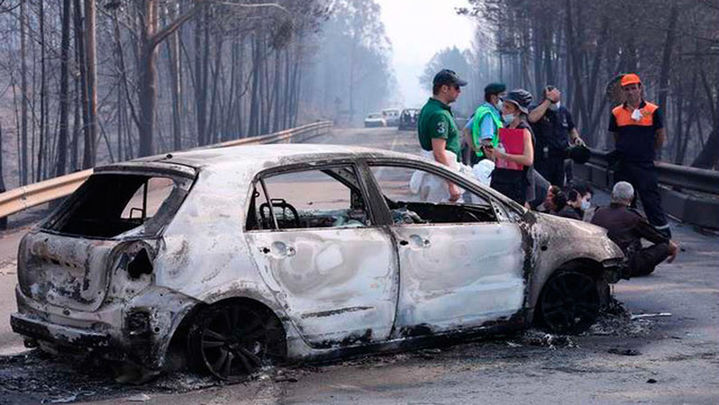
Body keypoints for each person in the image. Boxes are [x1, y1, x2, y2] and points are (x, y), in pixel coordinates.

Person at [609, 73, 671, 238]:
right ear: (623, 91)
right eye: (627, 89)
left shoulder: (653, 111)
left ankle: (663, 237)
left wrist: (648, 151)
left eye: (633, 88)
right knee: (624, 204)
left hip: (644, 164)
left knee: (651, 201)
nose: (630, 92)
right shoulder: (616, 113)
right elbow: (616, 137)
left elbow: (660, 137)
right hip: (624, 165)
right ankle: (627, 237)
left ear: (640, 88)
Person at [591, 181, 678, 277]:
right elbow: (655, 236)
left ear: (612, 195)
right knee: (664, 246)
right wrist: (671, 245)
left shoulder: (598, 212)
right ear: (632, 198)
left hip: (598, 260)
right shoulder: (632, 217)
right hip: (623, 264)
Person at [415, 69, 467, 202]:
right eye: (456, 87)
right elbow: (439, 153)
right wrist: (452, 184)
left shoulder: (429, 108)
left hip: (437, 174)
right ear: (444, 88)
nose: (459, 92)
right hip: (440, 179)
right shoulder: (439, 115)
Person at [482, 89, 535, 205]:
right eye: (504, 106)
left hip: (516, 186)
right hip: (500, 181)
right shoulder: (506, 129)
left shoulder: (524, 130)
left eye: (508, 108)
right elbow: (499, 159)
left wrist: (503, 156)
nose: (504, 110)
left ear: (518, 111)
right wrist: (491, 153)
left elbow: (528, 159)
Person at [528, 85, 584, 187]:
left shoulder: (563, 112)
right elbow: (532, 118)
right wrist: (548, 100)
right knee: (543, 188)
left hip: (560, 159)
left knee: (558, 188)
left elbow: (571, 128)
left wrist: (576, 138)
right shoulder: (536, 109)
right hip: (542, 159)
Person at [462, 83, 506, 164]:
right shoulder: (488, 115)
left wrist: (475, 149)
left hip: (479, 156)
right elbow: (486, 142)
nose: (504, 100)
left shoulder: (482, 110)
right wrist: (492, 161)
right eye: (502, 96)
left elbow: (466, 130)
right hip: (487, 158)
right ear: (493, 97)